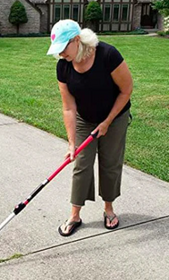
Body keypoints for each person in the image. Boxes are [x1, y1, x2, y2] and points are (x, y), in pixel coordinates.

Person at [47, 19, 133, 236]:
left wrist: (107, 122)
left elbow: (126, 90)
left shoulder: (107, 55)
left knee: (110, 162)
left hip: (115, 116)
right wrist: (71, 142)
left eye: (63, 49)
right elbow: (68, 107)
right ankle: (75, 214)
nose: (61, 55)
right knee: (81, 164)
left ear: (77, 40)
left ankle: (109, 209)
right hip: (85, 119)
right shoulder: (63, 66)